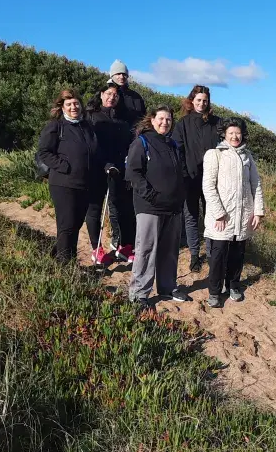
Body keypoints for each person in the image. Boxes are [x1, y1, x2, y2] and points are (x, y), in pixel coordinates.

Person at [126, 105, 190, 307]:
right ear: (152, 120)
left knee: (170, 250)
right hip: (150, 206)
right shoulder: (142, 142)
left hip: (173, 207)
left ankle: (167, 287)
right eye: (161, 118)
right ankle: (139, 294)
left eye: (169, 119)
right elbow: (133, 173)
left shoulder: (172, 145)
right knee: (146, 249)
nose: (165, 122)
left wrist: (180, 198)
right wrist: (152, 195)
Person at [201, 117, 265, 308]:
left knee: (238, 253)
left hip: (243, 214)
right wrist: (219, 213)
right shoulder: (214, 154)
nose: (235, 136)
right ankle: (214, 291)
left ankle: (233, 285)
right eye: (231, 133)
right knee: (218, 255)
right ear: (224, 134)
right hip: (222, 216)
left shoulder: (247, 156)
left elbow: (256, 184)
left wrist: (258, 211)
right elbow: (208, 186)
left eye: (238, 133)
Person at [36, 90, 105, 264]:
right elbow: (44, 152)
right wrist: (64, 166)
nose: (73, 107)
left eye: (76, 103)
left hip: (85, 184)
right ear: (62, 107)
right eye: (69, 104)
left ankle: (62, 257)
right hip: (63, 183)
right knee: (67, 225)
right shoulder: (55, 126)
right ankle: (65, 264)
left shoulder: (87, 126)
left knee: (75, 225)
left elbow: (94, 151)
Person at [171, 84, 221, 272]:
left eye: (205, 100)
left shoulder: (217, 122)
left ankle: (210, 253)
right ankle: (194, 255)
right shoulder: (183, 123)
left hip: (213, 180)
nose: (202, 103)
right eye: (198, 100)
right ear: (192, 101)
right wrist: (184, 172)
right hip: (190, 178)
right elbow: (178, 149)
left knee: (211, 215)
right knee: (191, 216)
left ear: (208, 102)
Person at [84, 83, 135, 263]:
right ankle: (96, 248)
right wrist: (104, 164)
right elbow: (89, 145)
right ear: (101, 94)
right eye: (108, 93)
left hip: (119, 169)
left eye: (115, 95)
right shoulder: (91, 116)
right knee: (95, 209)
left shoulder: (123, 119)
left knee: (123, 208)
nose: (111, 97)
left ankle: (125, 247)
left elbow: (129, 143)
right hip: (97, 169)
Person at [108, 60, 147, 132]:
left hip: (134, 136)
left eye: (124, 74)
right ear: (112, 76)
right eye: (118, 74)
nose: (121, 77)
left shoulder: (136, 96)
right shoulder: (105, 94)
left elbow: (143, 117)